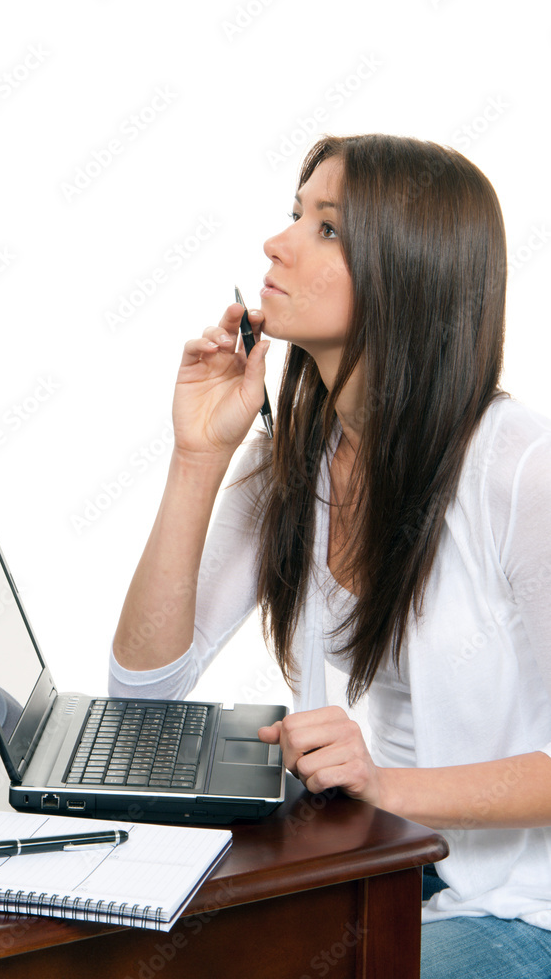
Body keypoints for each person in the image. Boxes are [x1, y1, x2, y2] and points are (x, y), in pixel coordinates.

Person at [109, 133, 551, 977]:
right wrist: (196, 458)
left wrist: (384, 784)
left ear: (408, 275)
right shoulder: (299, 454)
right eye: (292, 214)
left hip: (516, 908)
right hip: (387, 866)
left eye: (327, 227)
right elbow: (144, 685)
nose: (277, 244)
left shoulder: (515, 469)